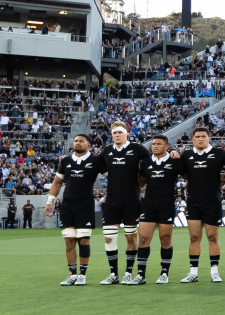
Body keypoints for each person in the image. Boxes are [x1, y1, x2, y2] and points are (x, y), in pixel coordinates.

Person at [44, 134, 108, 286]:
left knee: (84, 240)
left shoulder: (96, 160)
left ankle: (82, 275)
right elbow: (57, 182)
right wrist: (49, 202)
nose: (78, 143)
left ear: (89, 145)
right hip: (67, 206)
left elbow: (112, 177)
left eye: (81, 141)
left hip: (85, 205)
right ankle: (72, 274)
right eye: (76, 141)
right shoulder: (65, 161)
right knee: (69, 240)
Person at [98, 121, 150, 285]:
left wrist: (141, 179)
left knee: (130, 236)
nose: (117, 135)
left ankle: (128, 271)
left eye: (120, 132)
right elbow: (99, 166)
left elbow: (150, 164)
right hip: (112, 200)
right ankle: (114, 273)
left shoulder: (137, 149)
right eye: (114, 133)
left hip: (131, 200)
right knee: (108, 238)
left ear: (127, 133)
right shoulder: (106, 151)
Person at [180, 127, 225, 283]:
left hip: (212, 202)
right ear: (193, 139)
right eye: (197, 137)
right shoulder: (187, 155)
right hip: (194, 202)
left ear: (209, 138)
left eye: (203, 136)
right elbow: (182, 172)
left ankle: (214, 271)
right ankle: (193, 272)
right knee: (194, 237)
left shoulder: (219, 153)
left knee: (212, 237)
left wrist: (224, 178)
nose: (200, 139)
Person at [133, 135, 182, 284]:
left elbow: (187, 174)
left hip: (166, 204)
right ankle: (141, 274)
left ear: (167, 146)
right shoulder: (146, 163)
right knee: (143, 239)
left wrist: (177, 152)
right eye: (153, 144)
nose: (154, 146)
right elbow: (141, 182)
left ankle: (164, 273)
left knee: (165, 239)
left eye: (158, 144)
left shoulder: (174, 161)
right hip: (149, 204)